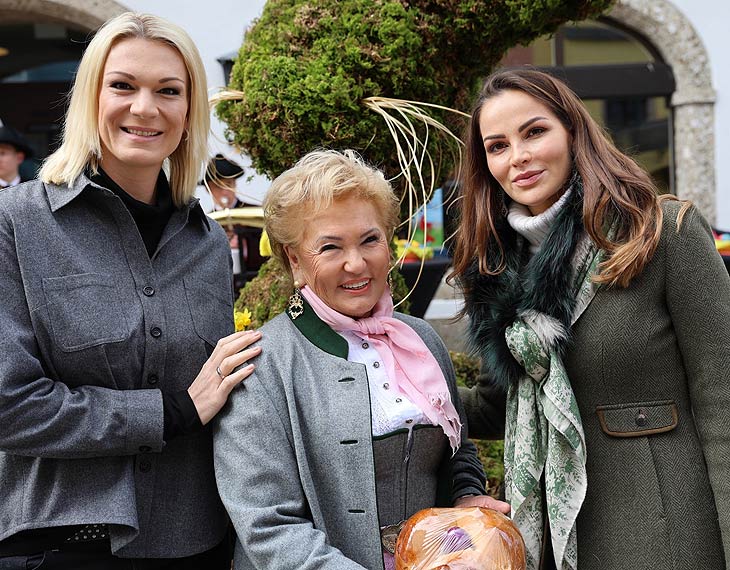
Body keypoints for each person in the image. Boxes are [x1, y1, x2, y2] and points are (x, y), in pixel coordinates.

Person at [0, 12, 261, 569]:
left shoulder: (208, 243)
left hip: (194, 543)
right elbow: (9, 406)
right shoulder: (15, 223)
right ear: (90, 97)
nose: (145, 108)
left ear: (189, 112)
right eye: (122, 86)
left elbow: (219, 390)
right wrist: (168, 414)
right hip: (60, 544)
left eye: (169, 90)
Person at [451, 67, 730, 570]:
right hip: (553, 545)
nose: (519, 157)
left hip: (666, 535)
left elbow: (724, 403)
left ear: (573, 131)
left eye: (535, 132)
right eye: (497, 146)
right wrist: (388, 372)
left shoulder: (662, 233)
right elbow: (495, 409)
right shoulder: (495, 267)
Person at [213, 149, 509, 570]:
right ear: (294, 260)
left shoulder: (419, 340)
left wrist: (466, 498)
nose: (356, 263)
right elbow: (267, 527)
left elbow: (457, 451)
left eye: (370, 239)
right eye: (330, 247)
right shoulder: (262, 366)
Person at [203, 153, 265, 288]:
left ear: (235, 184)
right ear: (209, 189)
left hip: (256, 281)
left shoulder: (254, 212)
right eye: (218, 186)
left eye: (228, 184)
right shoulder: (205, 222)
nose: (225, 191)